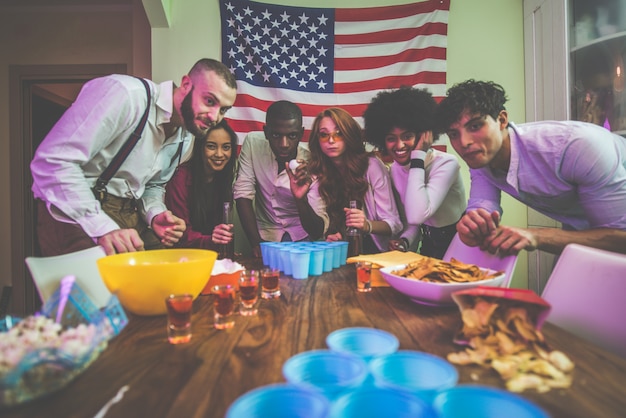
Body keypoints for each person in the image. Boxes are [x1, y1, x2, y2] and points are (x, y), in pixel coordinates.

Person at [31, 58, 237, 256]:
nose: (214, 117)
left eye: (223, 110)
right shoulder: (125, 95)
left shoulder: (186, 135)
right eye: (209, 101)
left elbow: (153, 186)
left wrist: (155, 214)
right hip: (74, 210)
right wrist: (102, 227)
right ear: (185, 84)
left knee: (165, 280)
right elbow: (53, 161)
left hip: (128, 213)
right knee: (95, 290)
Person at [434, 79, 626, 255]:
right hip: (584, 228)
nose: (464, 142)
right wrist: (472, 227)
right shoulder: (480, 158)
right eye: (453, 134)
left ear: (502, 120)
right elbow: (482, 211)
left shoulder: (577, 147)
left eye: (475, 126)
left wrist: (537, 235)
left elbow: (620, 238)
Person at [363, 87, 466, 259]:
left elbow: (419, 213)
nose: (399, 145)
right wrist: (404, 241)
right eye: (391, 138)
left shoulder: (447, 164)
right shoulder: (395, 169)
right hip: (429, 244)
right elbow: (413, 220)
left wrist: (418, 156)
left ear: (423, 134)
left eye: (407, 136)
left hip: (461, 244)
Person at [233, 100, 329, 257]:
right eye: (276, 135)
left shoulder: (313, 162)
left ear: (300, 133)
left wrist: (301, 200)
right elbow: (242, 194)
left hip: (306, 242)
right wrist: (256, 245)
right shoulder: (252, 144)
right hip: (266, 238)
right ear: (266, 132)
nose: (284, 144)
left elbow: (317, 231)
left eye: (292, 136)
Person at [307, 107, 403, 253]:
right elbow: (319, 226)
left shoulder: (371, 166)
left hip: (374, 253)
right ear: (317, 139)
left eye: (339, 134)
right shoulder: (316, 172)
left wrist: (366, 225)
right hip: (337, 253)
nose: (331, 140)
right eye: (324, 135)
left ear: (349, 135)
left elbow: (394, 224)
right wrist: (332, 236)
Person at [165, 120, 238, 250]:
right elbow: (180, 234)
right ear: (200, 147)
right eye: (211, 146)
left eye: (226, 147)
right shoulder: (180, 178)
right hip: (181, 256)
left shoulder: (223, 177)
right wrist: (211, 240)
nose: (219, 154)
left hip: (210, 256)